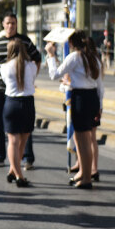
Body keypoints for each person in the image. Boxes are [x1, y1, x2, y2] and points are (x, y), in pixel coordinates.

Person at [45, 30, 105, 189]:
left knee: (82, 140)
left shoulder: (75, 57)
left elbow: (54, 74)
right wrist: (100, 106)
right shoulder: (93, 58)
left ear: (72, 43)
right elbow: (100, 85)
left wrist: (51, 55)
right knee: (84, 140)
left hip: (80, 98)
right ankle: (86, 174)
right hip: (92, 98)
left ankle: (86, 178)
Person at [0, 13, 41, 170]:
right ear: (3, 24)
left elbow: (37, 58)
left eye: (13, 23)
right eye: (8, 23)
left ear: (16, 25)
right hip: (0, 90)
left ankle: (27, 158)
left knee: (25, 129)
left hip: (18, 92)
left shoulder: (25, 41)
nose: (10, 26)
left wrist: (31, 79)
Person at [0, 39, 38, 188]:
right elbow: (32, 79)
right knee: (23, 139)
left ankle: (16, 173)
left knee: (12, 141)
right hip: (28, 103)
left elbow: (4, 82)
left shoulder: (5, 67)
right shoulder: (32, 66)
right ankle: (15, 171)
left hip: (12, 103)